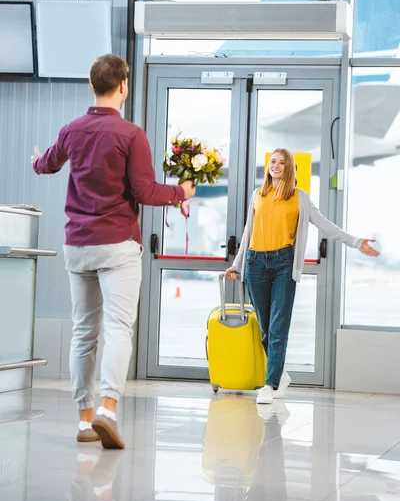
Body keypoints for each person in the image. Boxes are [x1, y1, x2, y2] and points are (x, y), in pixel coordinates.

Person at [31, 54, 196, 449]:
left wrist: (36, 161)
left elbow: (48, 164)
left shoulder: (72, 129)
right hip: (117, 244)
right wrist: (182, 193)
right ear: (123, 86)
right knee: (119, 329)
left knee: (83, 332)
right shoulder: (130, 134)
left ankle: (85, 420)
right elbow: (145, 191)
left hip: (78, 246)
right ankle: (107, 409)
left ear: (93, 85)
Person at [225, 148, 379, 405]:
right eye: (273, 162)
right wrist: (237, 265)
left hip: (284, 264)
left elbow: (325, 225)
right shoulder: (258, 195)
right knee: (265, 329)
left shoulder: (300, 197)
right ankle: (280, 373)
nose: (276, 166)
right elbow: (247, 233)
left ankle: (269, 385)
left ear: (290, 168)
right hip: (255, 264)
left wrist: (357, 242)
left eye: (281, 163)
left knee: (278, 328)